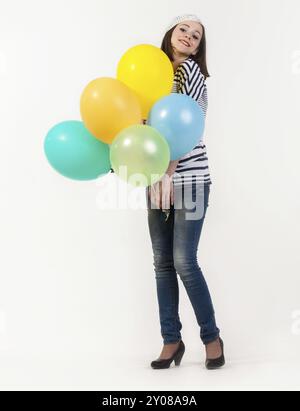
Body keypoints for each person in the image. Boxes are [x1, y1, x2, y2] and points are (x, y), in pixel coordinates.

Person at [146, 14, 225, 370]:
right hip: (154, 177)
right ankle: (171, 340)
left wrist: (167, 171)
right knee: (162, 264)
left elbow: (186, 127)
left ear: (199, 47)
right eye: (184, 30)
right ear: (170, 33)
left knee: (184, 262)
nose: (190, 37)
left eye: (196, 35)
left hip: (189, 178)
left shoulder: (190, 72)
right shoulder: (153, 71)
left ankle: (211, 337)